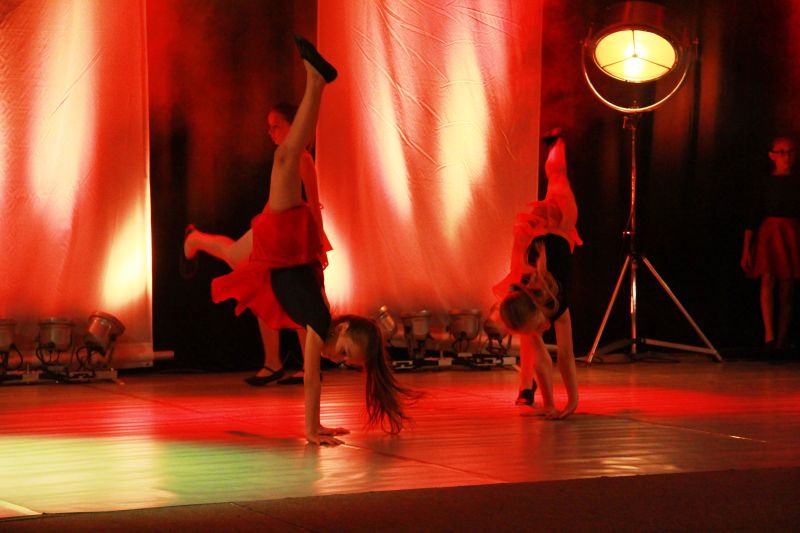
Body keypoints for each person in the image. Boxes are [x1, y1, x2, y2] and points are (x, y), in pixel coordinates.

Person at [209, 35, 414, 445]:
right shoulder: (320, 324)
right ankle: (316, 81)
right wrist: (310, 430)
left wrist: (317, 426)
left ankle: (317, 82)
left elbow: (314, 370)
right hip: (286, 241)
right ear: (342, 331)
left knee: (286, 159)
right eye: (345, 353)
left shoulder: (320, 316)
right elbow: (312, 380)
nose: (338, 359)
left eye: (344, 360)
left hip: (286, 246)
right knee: (288, 156)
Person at [183, 102, 330, 386]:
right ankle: (195, 239)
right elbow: (279, 198)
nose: (270, 132)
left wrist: (318, 244)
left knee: (282, 293)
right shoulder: (284, 155)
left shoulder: (301, 158)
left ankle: (292, 364)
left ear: (294, 126)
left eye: (277, 126)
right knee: (245, 267)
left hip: (288, 234)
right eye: (269, 127)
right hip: (275, 230)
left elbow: (313, 204)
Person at [493, 130, 580, 420]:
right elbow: (543, 361)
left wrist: (572, 402)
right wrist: (551, 405)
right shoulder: (535, 306)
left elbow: (565, 357)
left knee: (557, 181)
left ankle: (557, 144)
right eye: (538, 328)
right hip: (548, 242)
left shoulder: (556, 305)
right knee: (533, 347)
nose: (544, 328)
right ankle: (528, 391)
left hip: (559, 225)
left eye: (539, 325)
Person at [741, 135, 800, 352]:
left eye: (790, 152)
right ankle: (769, 335)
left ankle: (781, 341)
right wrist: (746, 249)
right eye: (781, 152)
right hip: (769, 233)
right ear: (772, 156)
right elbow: (752, 217)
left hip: (791, 233)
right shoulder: (764, 183)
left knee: (787, 287)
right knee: (767, 279)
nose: (786, 156)